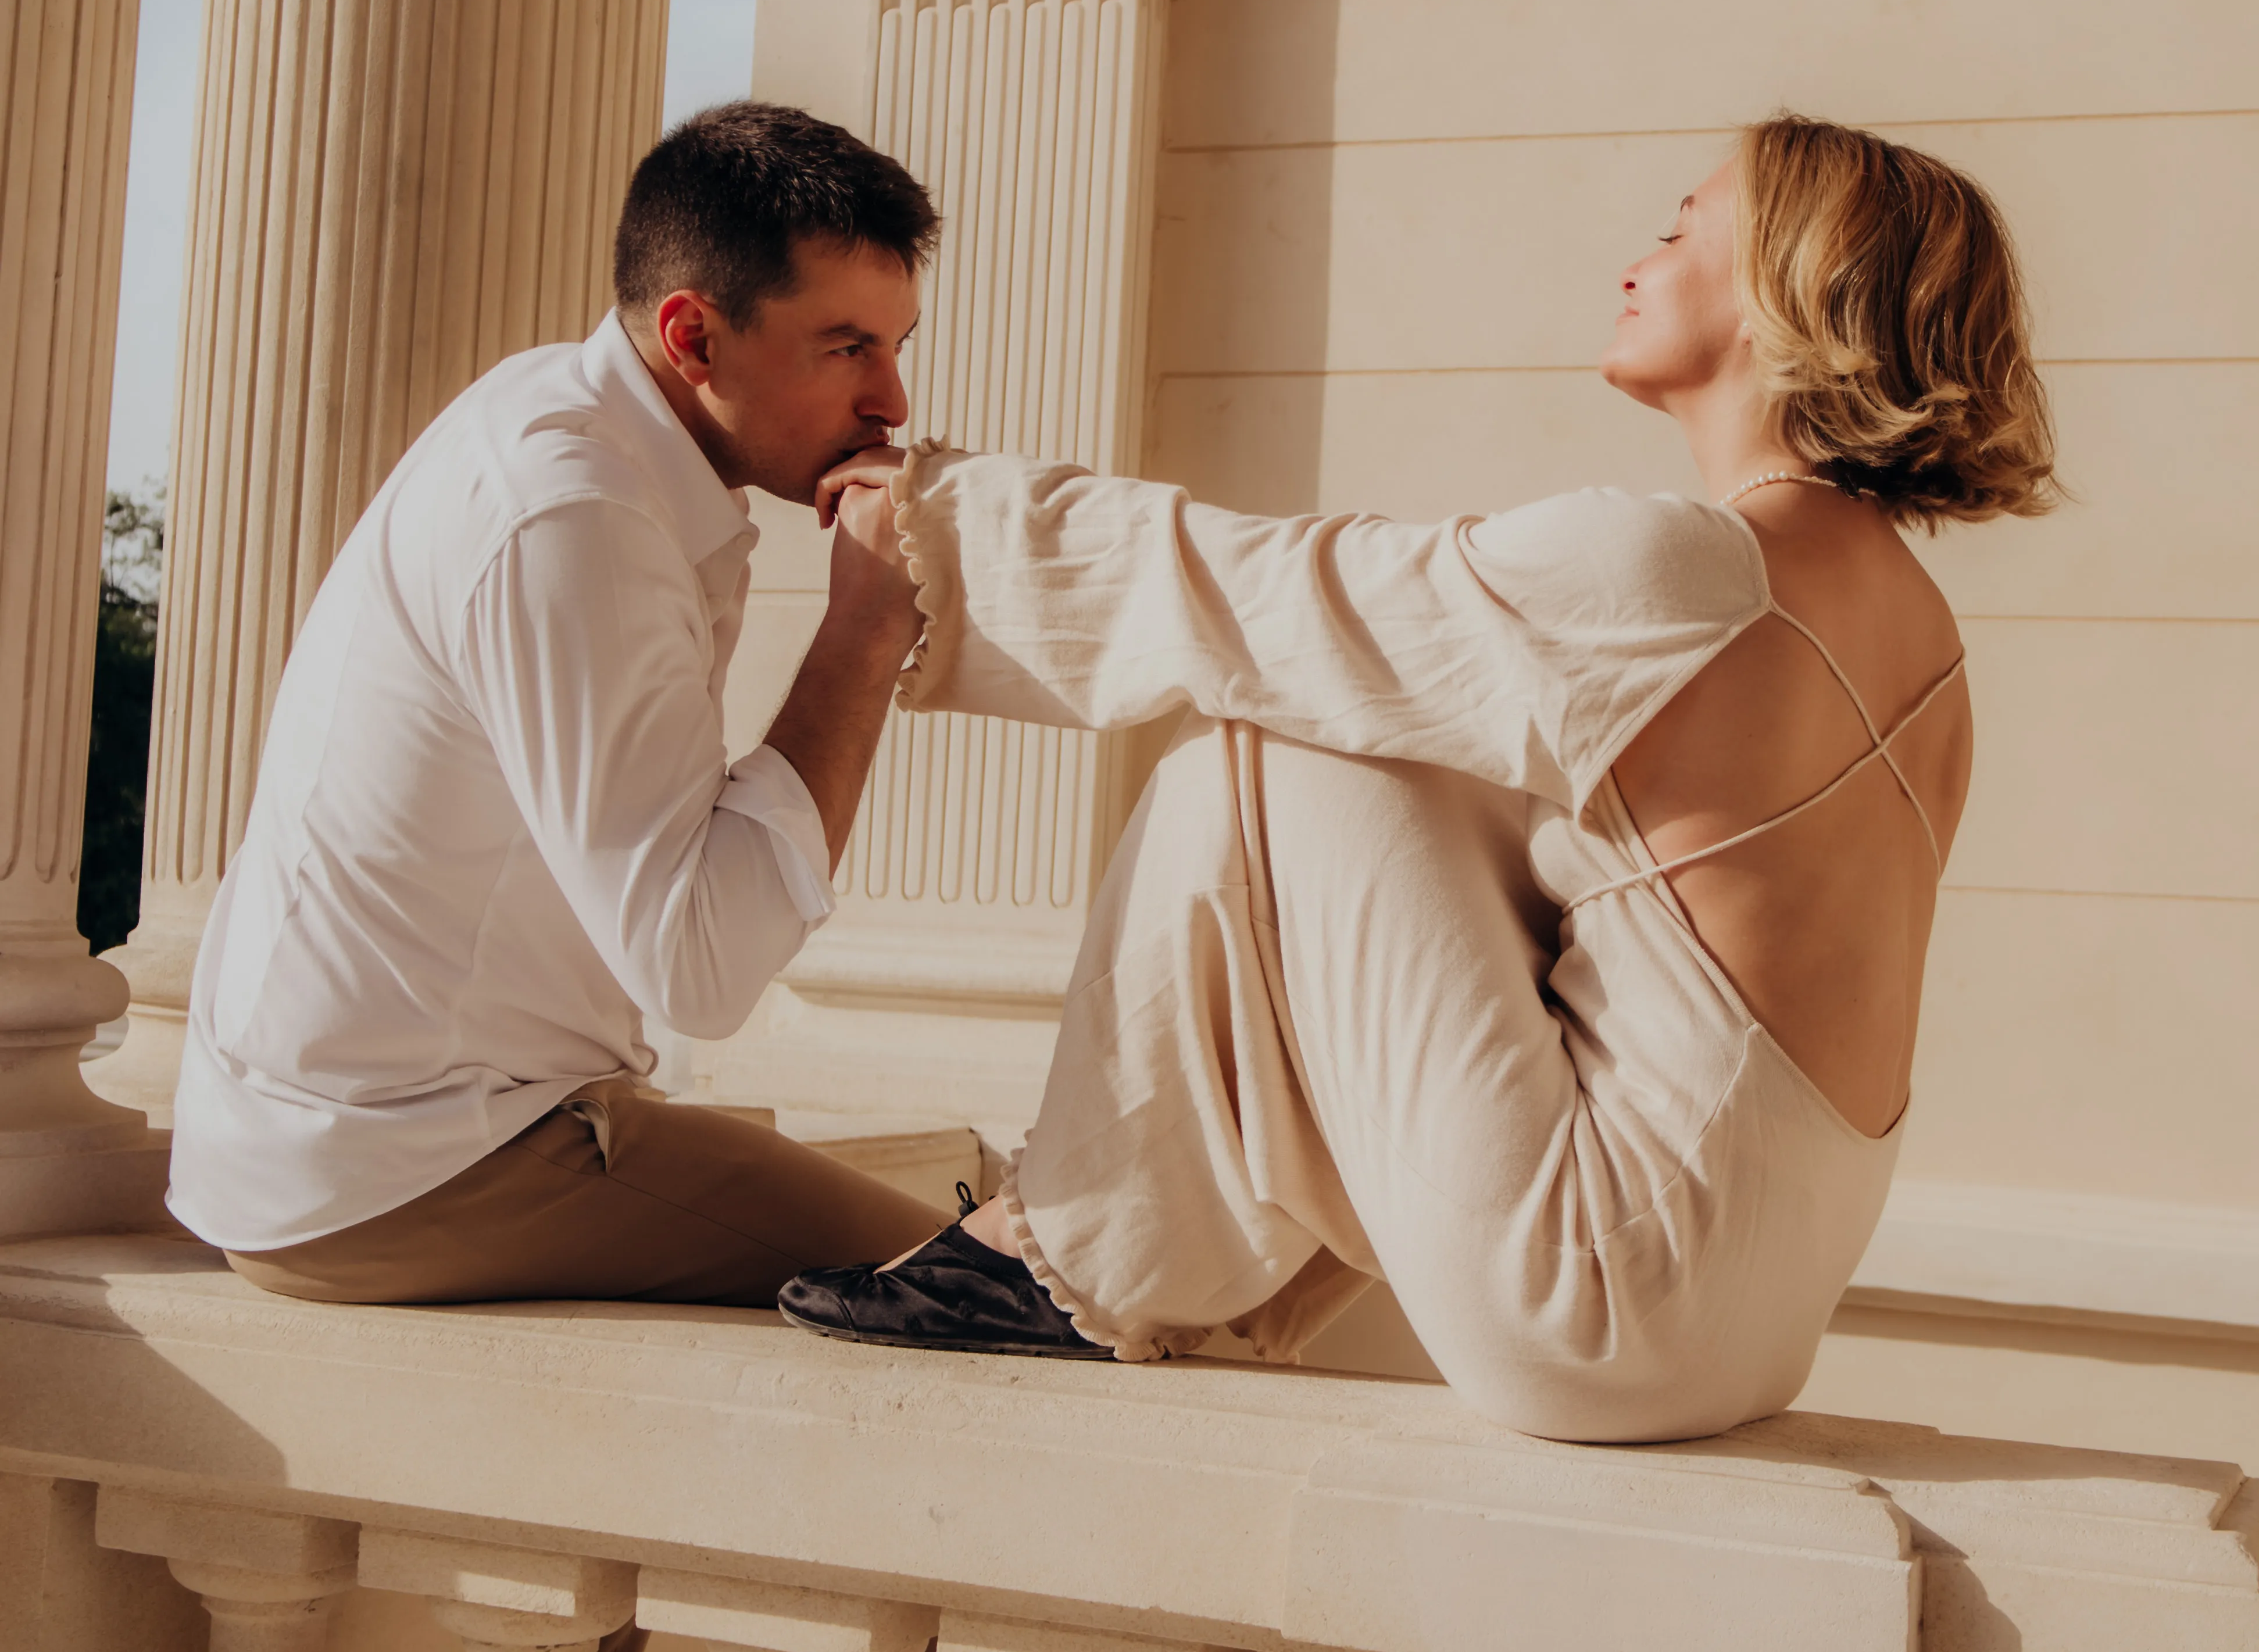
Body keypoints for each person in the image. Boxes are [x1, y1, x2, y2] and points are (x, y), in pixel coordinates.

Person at [779, 113, 2057, 1441]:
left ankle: (1064, 1263)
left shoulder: (1685, 573)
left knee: (1267, 737)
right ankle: (1134, 1250)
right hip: (1757, 1325)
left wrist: (925, 506)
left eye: (1682, 230)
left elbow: (1274, 595)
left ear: (1788, 283)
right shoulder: (1921, 631)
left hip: (1605, 1304)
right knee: (1396, 731)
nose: (1638, 261)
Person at [168, 104, 1008, 1652]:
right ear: (692, 337)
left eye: (896, 340)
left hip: (396, 1121)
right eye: (849, 350)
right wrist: (870, 634)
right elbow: (700, 962)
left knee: (888, 1220)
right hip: (411, 1157)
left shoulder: (591, 438)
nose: (897, 395)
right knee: (996, 1303)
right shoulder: (572, 514)